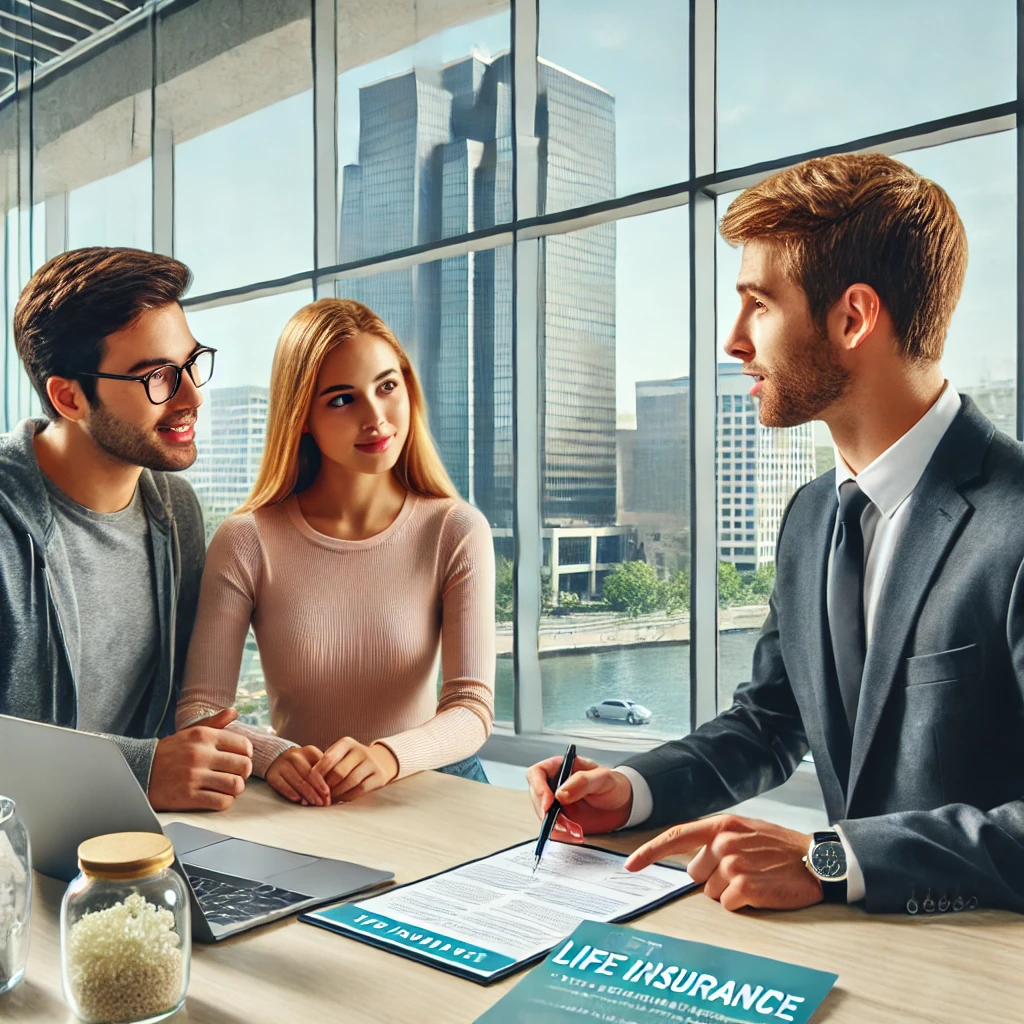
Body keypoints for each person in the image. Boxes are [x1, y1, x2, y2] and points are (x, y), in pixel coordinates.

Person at [528, 152, 1024, 915]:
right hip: (846, 955)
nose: (733, 340)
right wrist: (628, 791)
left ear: (852, 317)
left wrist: (832, 857)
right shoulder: (810, 517)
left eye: (758, 303)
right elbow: (768, 724)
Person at [176, 298, 495, 806]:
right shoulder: (246, 539)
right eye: (342, 399)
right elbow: (199, 710)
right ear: (301, 415)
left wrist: (387, 757)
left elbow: (472, 708)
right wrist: (271, 755)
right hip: (307, 798)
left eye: (387, 387)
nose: (376, 418)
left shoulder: (456, 529)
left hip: (439, 791)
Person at [0, 247, 254, 811]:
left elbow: (190, 708)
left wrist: (271, 754)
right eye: (157, 377)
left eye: (191, 364)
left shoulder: (175, 508)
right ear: (68, 396)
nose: (191, 397)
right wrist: (137, 771)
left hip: (144, 839)